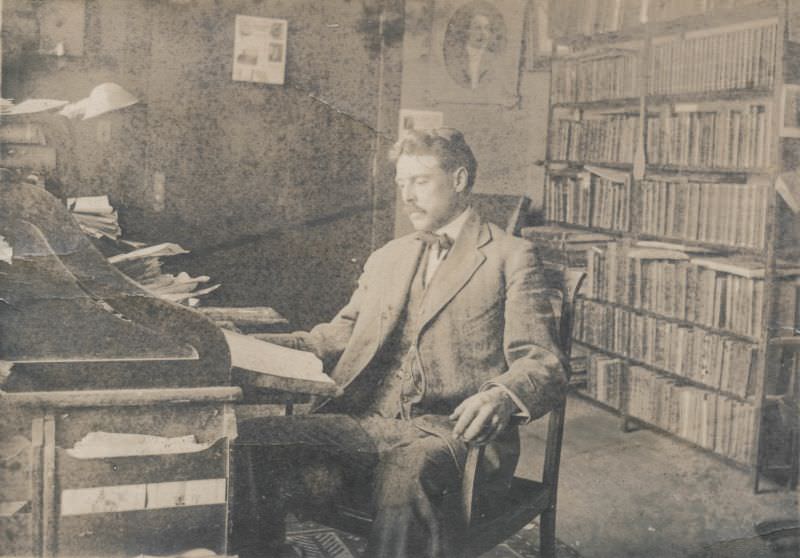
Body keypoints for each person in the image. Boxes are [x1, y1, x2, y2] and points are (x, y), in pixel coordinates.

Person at [232, 128, 567, 558]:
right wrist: (247, 344)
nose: (407, 195)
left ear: (460, 179)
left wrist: (502, 396)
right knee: (246, 441)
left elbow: (543, 361)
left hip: (452, 434)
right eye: (401, 183)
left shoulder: (511, 256)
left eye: (420, 181)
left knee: (406, 471)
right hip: (366, 422)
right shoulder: (389, 255)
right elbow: (336, 336)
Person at [444, 7, 502, 90]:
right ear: (467, 31)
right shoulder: (454, 57)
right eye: (477, 28)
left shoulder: (494, 59)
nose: (483, 33)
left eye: (486, 28)